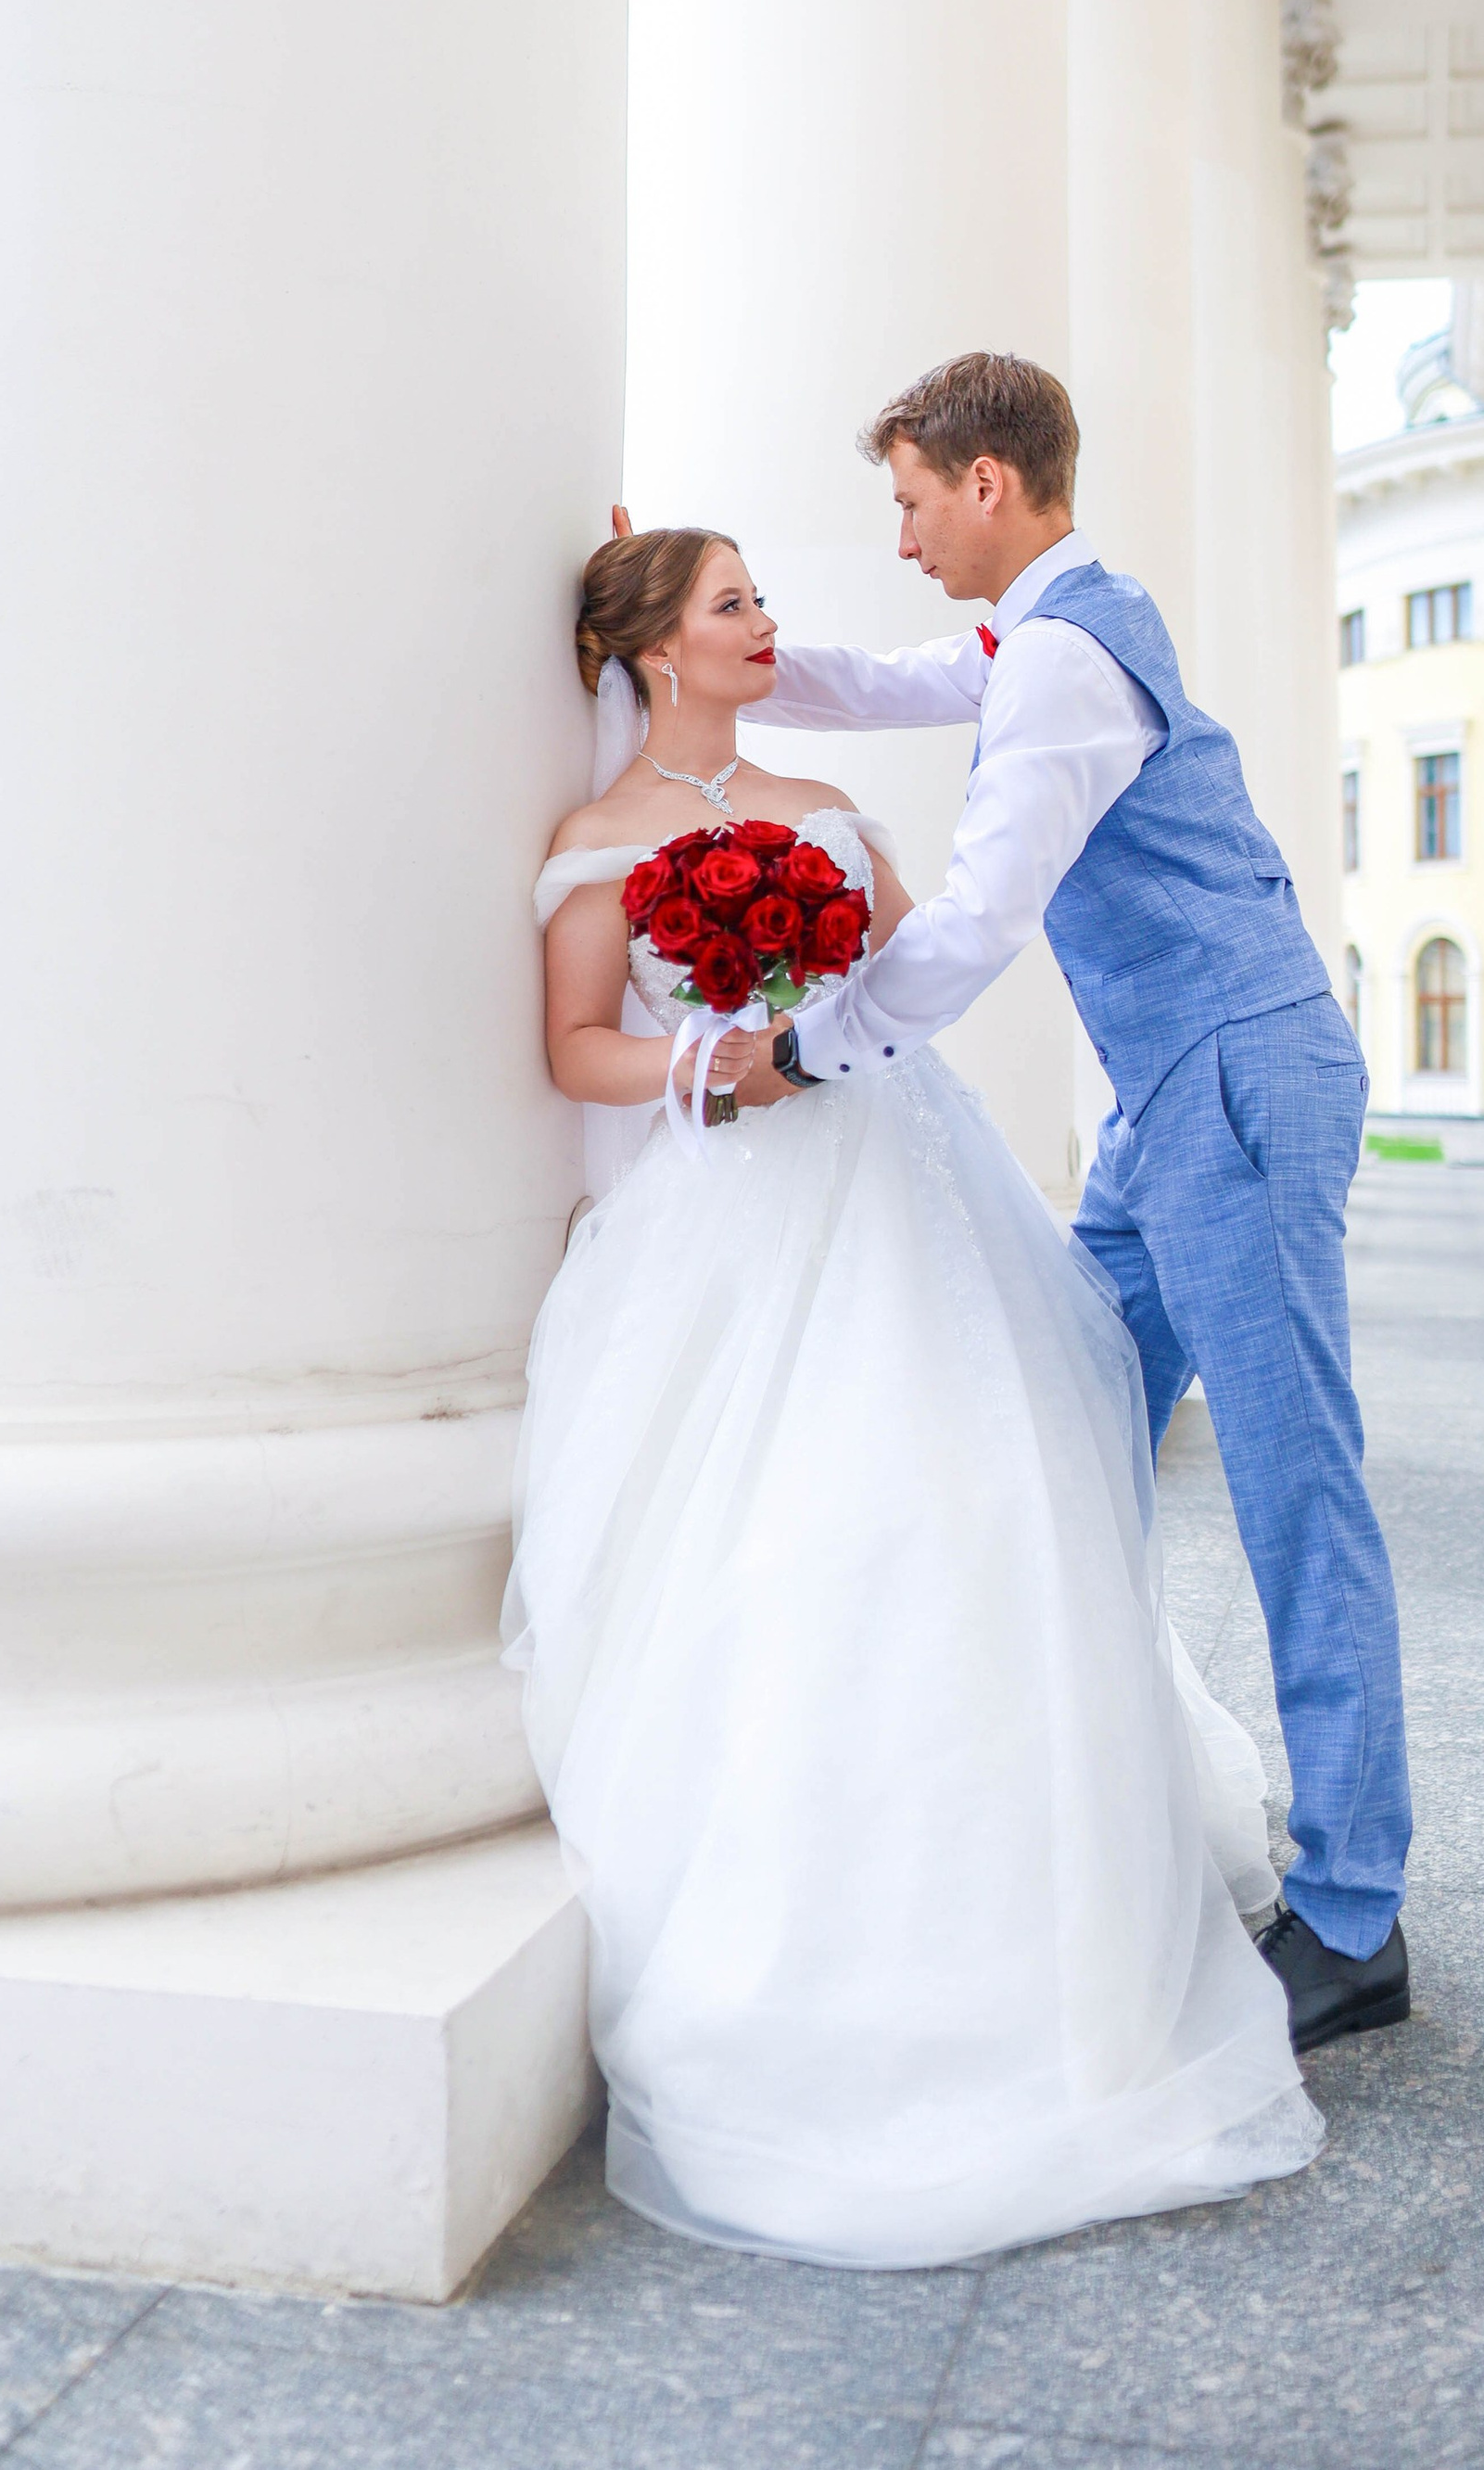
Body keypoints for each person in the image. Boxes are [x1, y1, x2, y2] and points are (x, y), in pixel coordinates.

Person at [501, 518, 1322, 2269]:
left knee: (959, 1518)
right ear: (659, 650)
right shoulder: (596, 846)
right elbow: (578, 1046)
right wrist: (715, 1050)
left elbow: (902, 986)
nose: (770, 626)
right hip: (724, 1210)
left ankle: (1015, 1916)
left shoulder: (830, 806)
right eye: (735, 605)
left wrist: (809, 1013)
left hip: (894, 1184)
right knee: (777, 1547)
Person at [750, 351, 1413, 2053]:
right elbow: (884, 680)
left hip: (1232, 1085)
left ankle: (1353, 1911)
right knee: (1057, 1420)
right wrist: (715, 656)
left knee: (1292, 1487)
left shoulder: (1056, 656)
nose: (898, 535)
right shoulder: (1045, 628)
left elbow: (976, 917)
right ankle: (1070, 1811)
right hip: (1171, 1100)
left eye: (907, 499)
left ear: (987, 481)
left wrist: (814, 1043)